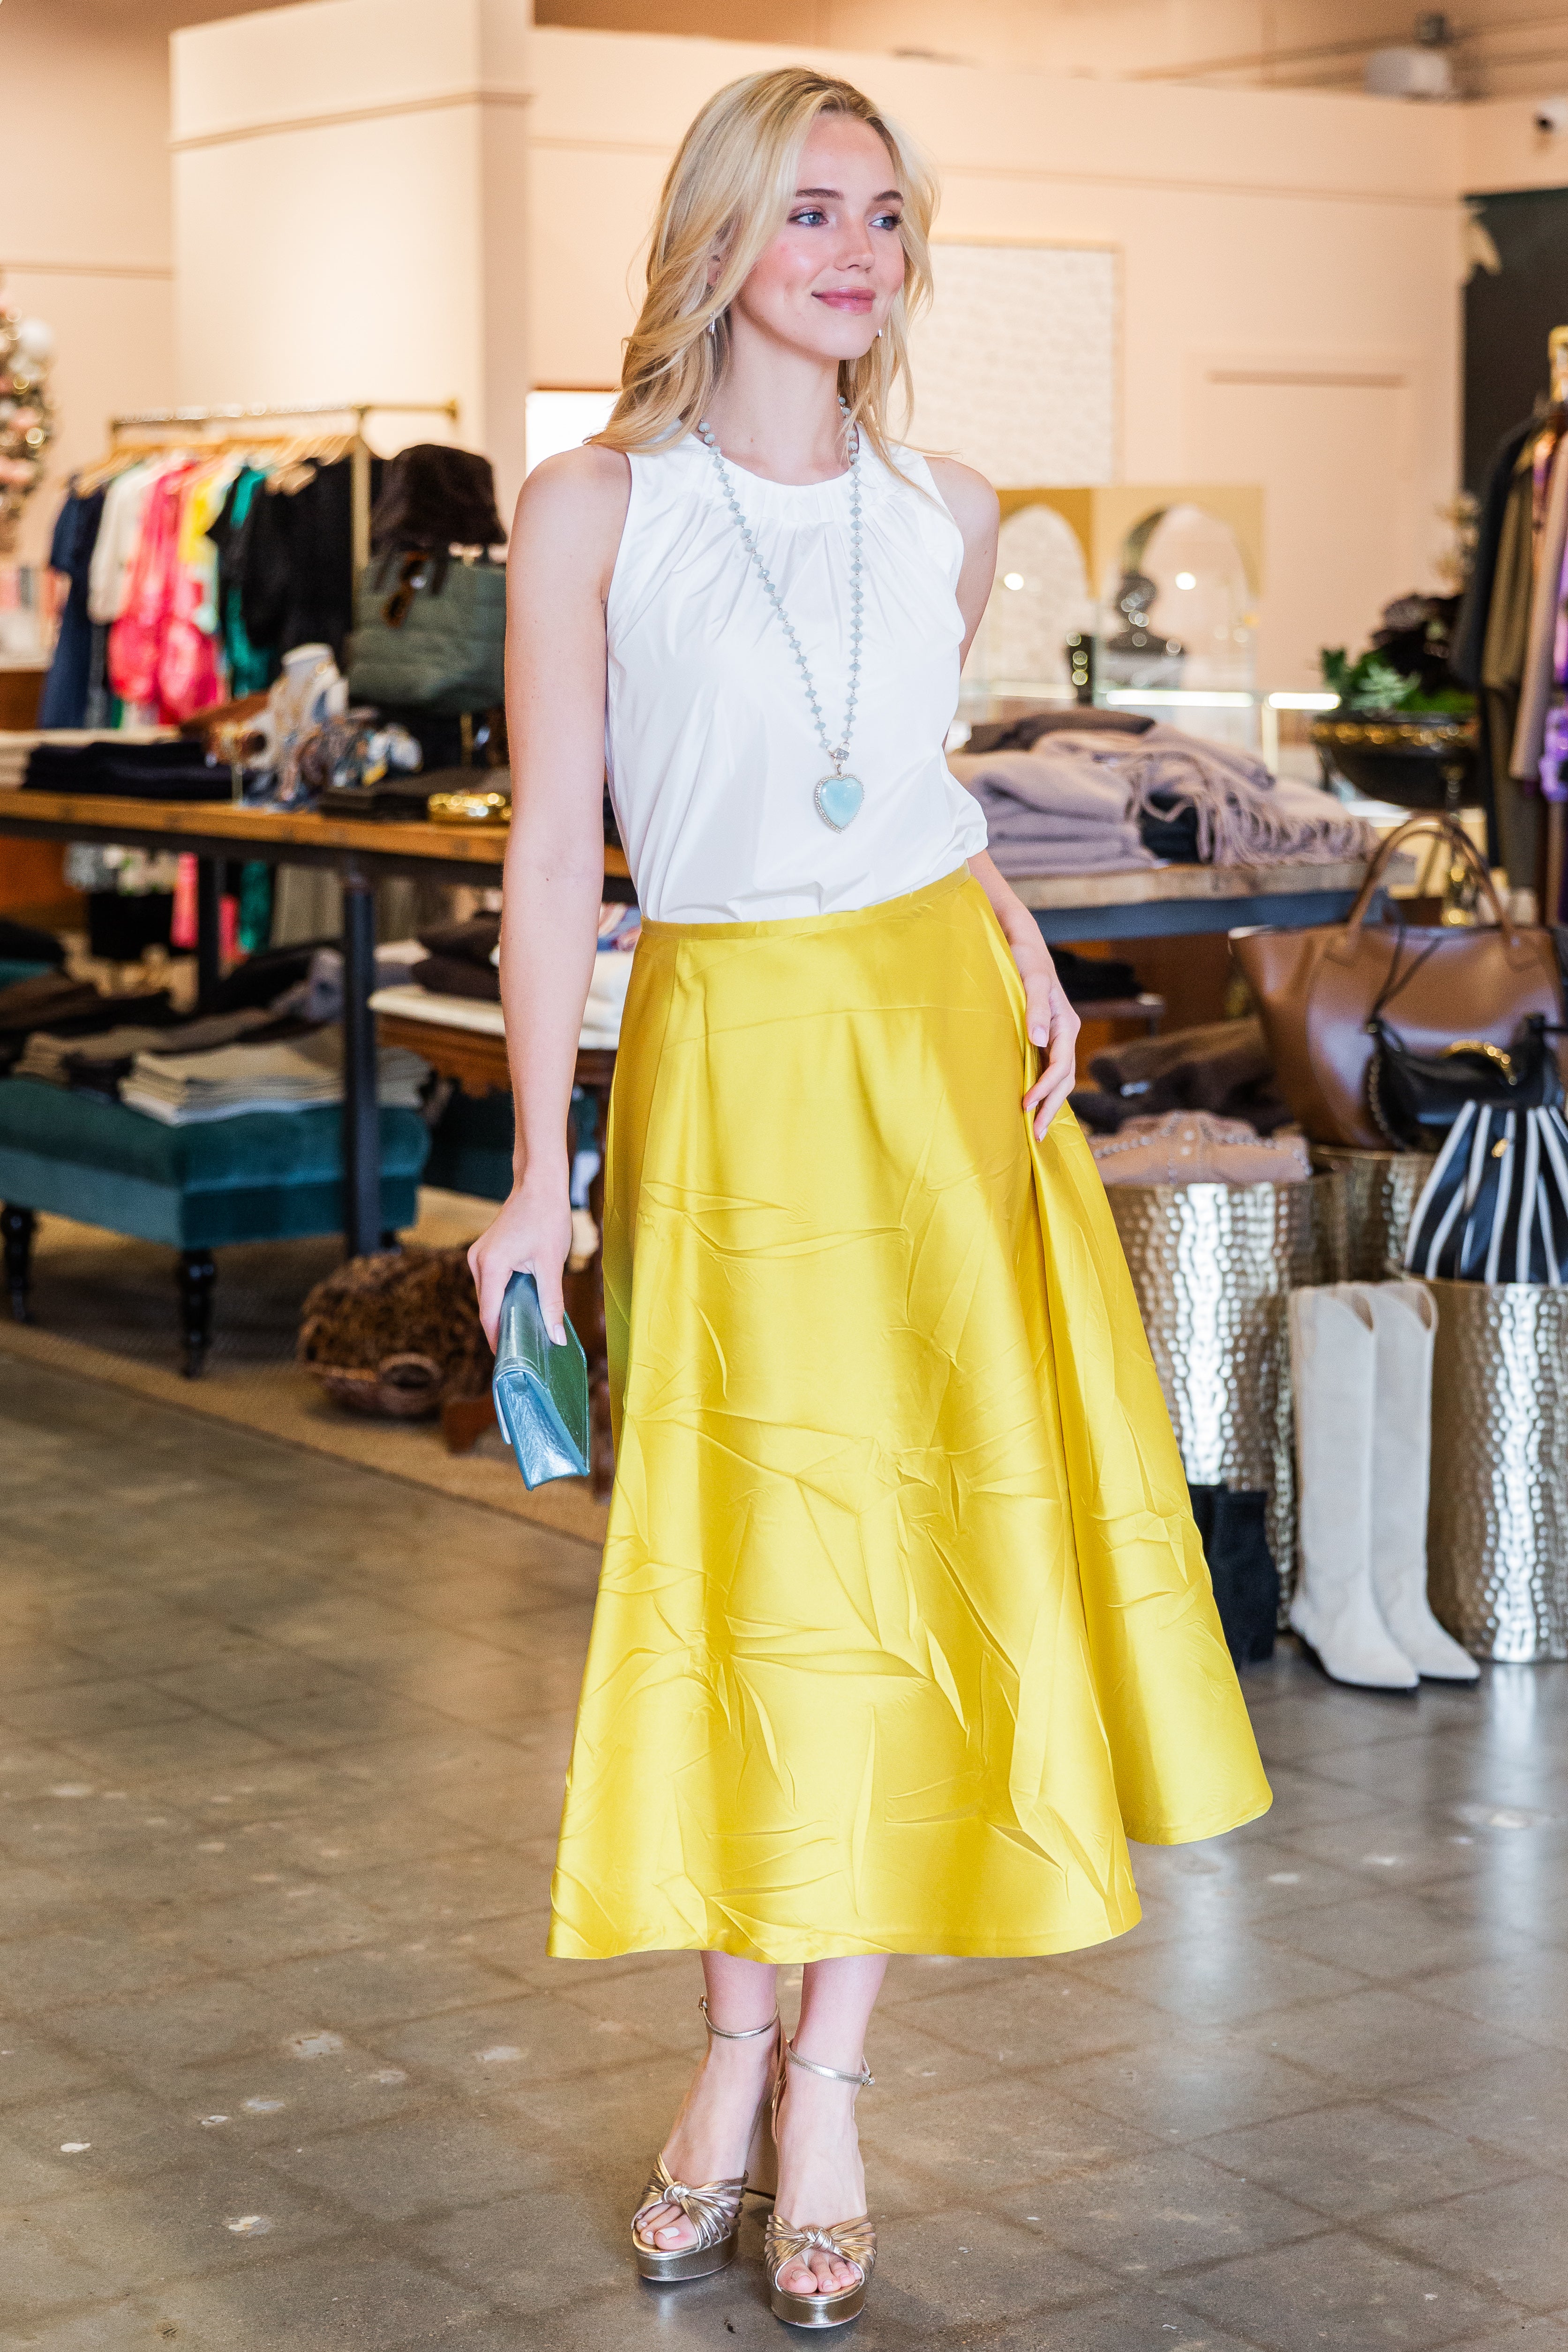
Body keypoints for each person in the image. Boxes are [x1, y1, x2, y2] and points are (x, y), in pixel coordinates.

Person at [470, 64, 1271, 2331]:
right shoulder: (592, 503)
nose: (857, 250)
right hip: (726, 1054)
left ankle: (812, 2080)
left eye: (889, 218)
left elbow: (908, 777)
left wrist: (1015, 934)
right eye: (814, 207)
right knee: (757, 1564)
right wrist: (538, 1173)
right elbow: (557, 856)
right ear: (719, 228)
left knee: (911, 1554)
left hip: (934, 1057)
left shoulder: (952, 501)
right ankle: (733, 2047)